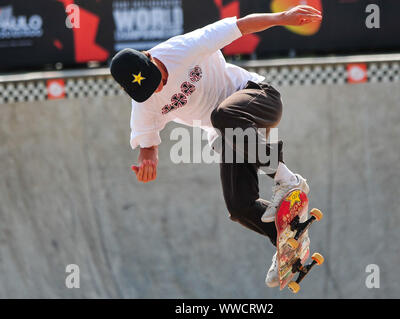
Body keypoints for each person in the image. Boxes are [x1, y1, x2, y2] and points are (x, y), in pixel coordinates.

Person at [110, 5, 322, 288]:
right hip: (230, 134)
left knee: (221, 117)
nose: (158, 89)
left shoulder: (183, 48)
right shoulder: (144, 103)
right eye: (148, 90)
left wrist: (282, 19)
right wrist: (148, 160)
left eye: (157, 79)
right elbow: (147, 145)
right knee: (239, 206)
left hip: (259, 98)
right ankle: (287, 241)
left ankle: (288, 180)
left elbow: (242, 25)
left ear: (150, 58)